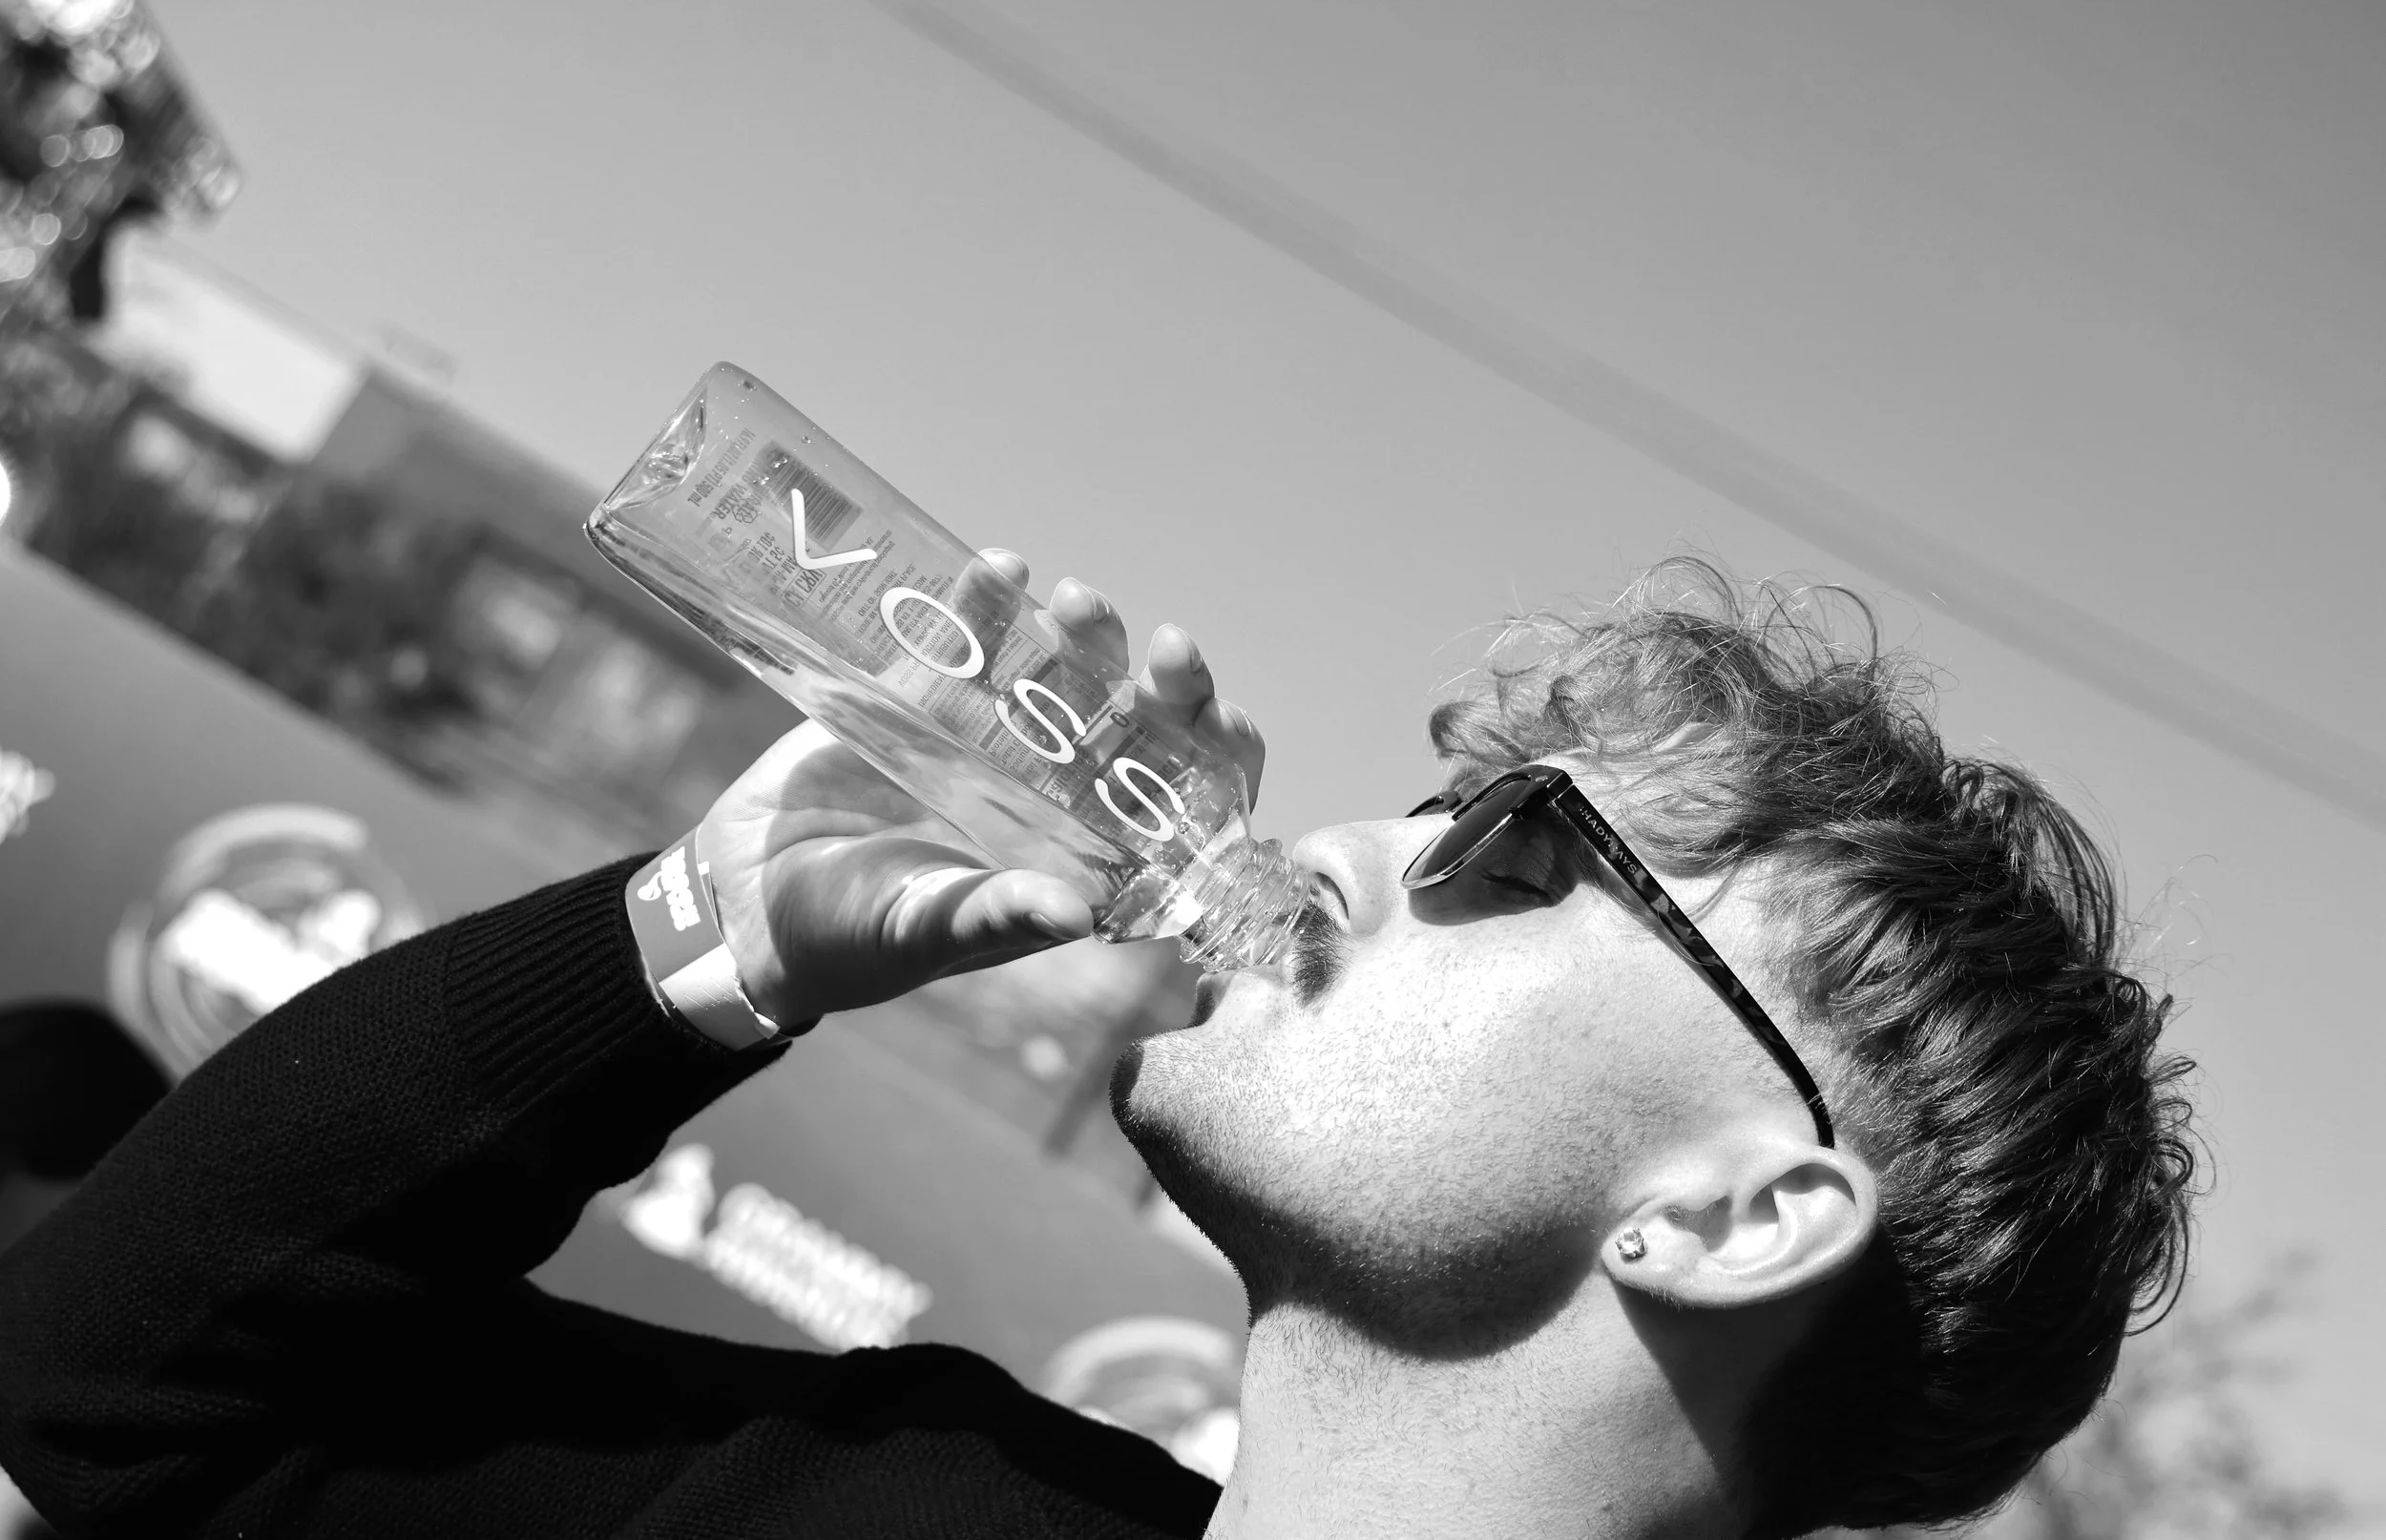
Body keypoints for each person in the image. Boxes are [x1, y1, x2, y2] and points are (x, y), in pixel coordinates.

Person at [0, 556, 2196, 1539]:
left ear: (1735, 1214)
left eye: (1522, 848)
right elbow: (115, 1402)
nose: (1345, 843)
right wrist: (693, 943)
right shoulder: (913, 1493)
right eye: (1433, 798)